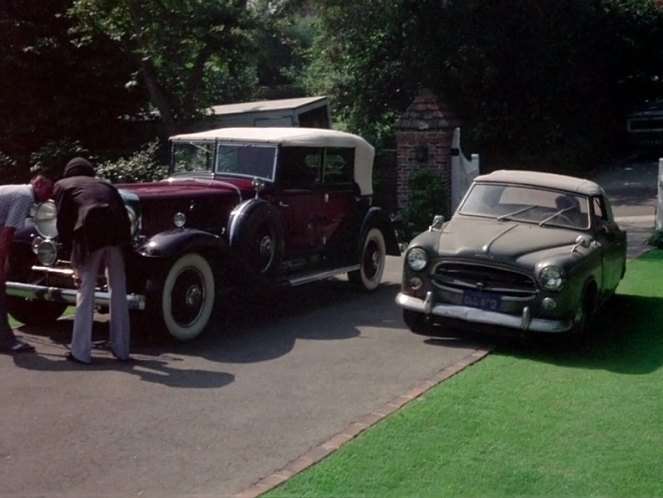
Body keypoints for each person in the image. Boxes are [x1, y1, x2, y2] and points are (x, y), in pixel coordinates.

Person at [53, 157, 132, 364]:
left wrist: (70, 255)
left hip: (89, 232)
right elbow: (124, 216)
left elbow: (63, 223)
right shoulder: (106, 184)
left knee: (86, 291)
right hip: (117, 233)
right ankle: (122, 349)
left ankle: (80, 352)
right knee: (118, 289)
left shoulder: (62, 185)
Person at [0, 175, 54, 353]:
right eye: (48, 190)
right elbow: (8, 233)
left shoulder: (14, 190)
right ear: (37, 184)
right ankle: (6, 340)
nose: (49, 195)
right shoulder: (25, 196)